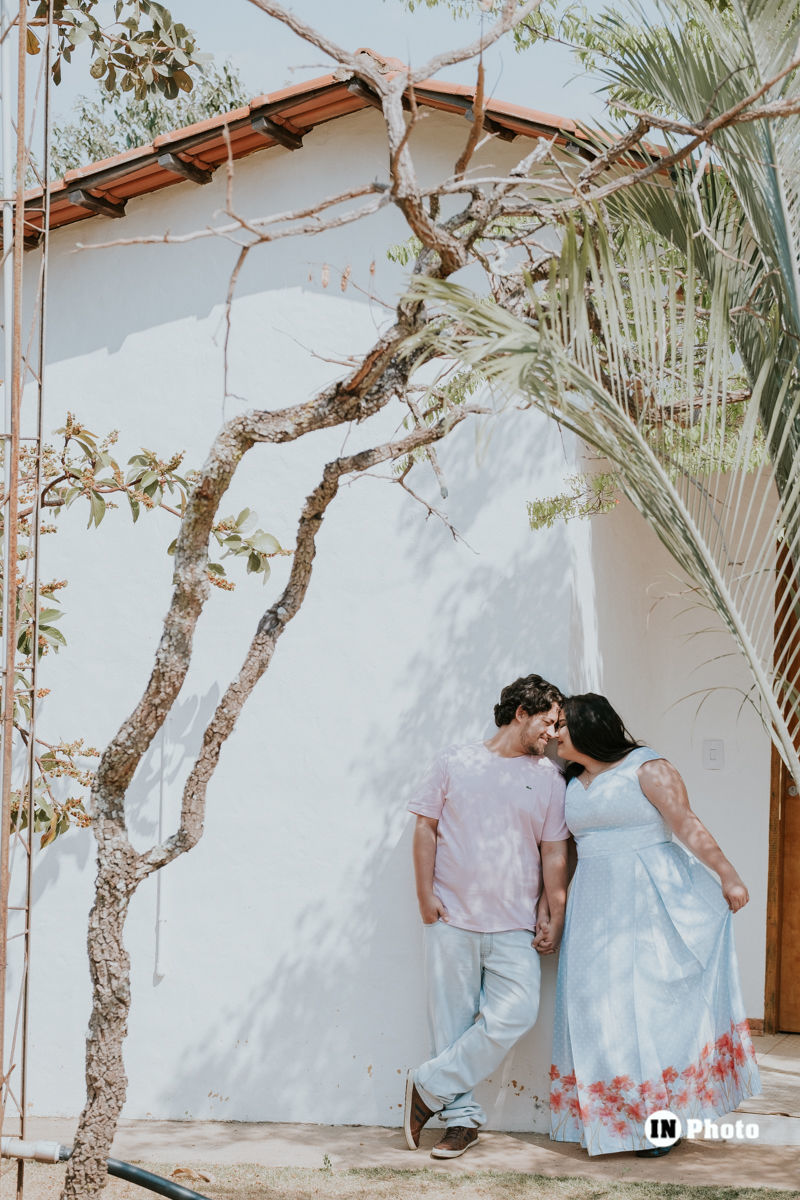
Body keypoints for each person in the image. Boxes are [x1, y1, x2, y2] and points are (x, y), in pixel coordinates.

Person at [546, 693, 761, 1157]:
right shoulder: (569, 781)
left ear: (588, 727)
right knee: (596, 1009)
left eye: (561, 724)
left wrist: (727, 874)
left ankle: (662, 1121)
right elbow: (565, 852)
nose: (553, 733)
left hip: (649, 901)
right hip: (593, 908)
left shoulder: (648, 767)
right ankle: (611, 1122)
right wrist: (554, 908)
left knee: (650, 1008)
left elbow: (685, 823)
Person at [404, 674, 569, 1159]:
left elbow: (554, 852)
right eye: (548, 720)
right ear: (521, 711)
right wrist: (424, 895)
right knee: (451, 1024)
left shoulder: (548, 777)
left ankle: (427, 1084)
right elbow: (425, 828)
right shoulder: (455, 760)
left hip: (515, 923)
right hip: (451, 916)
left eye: (558, 725)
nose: (554, 733)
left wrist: (553, 911)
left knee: (518, 1011)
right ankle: (459, 1121)